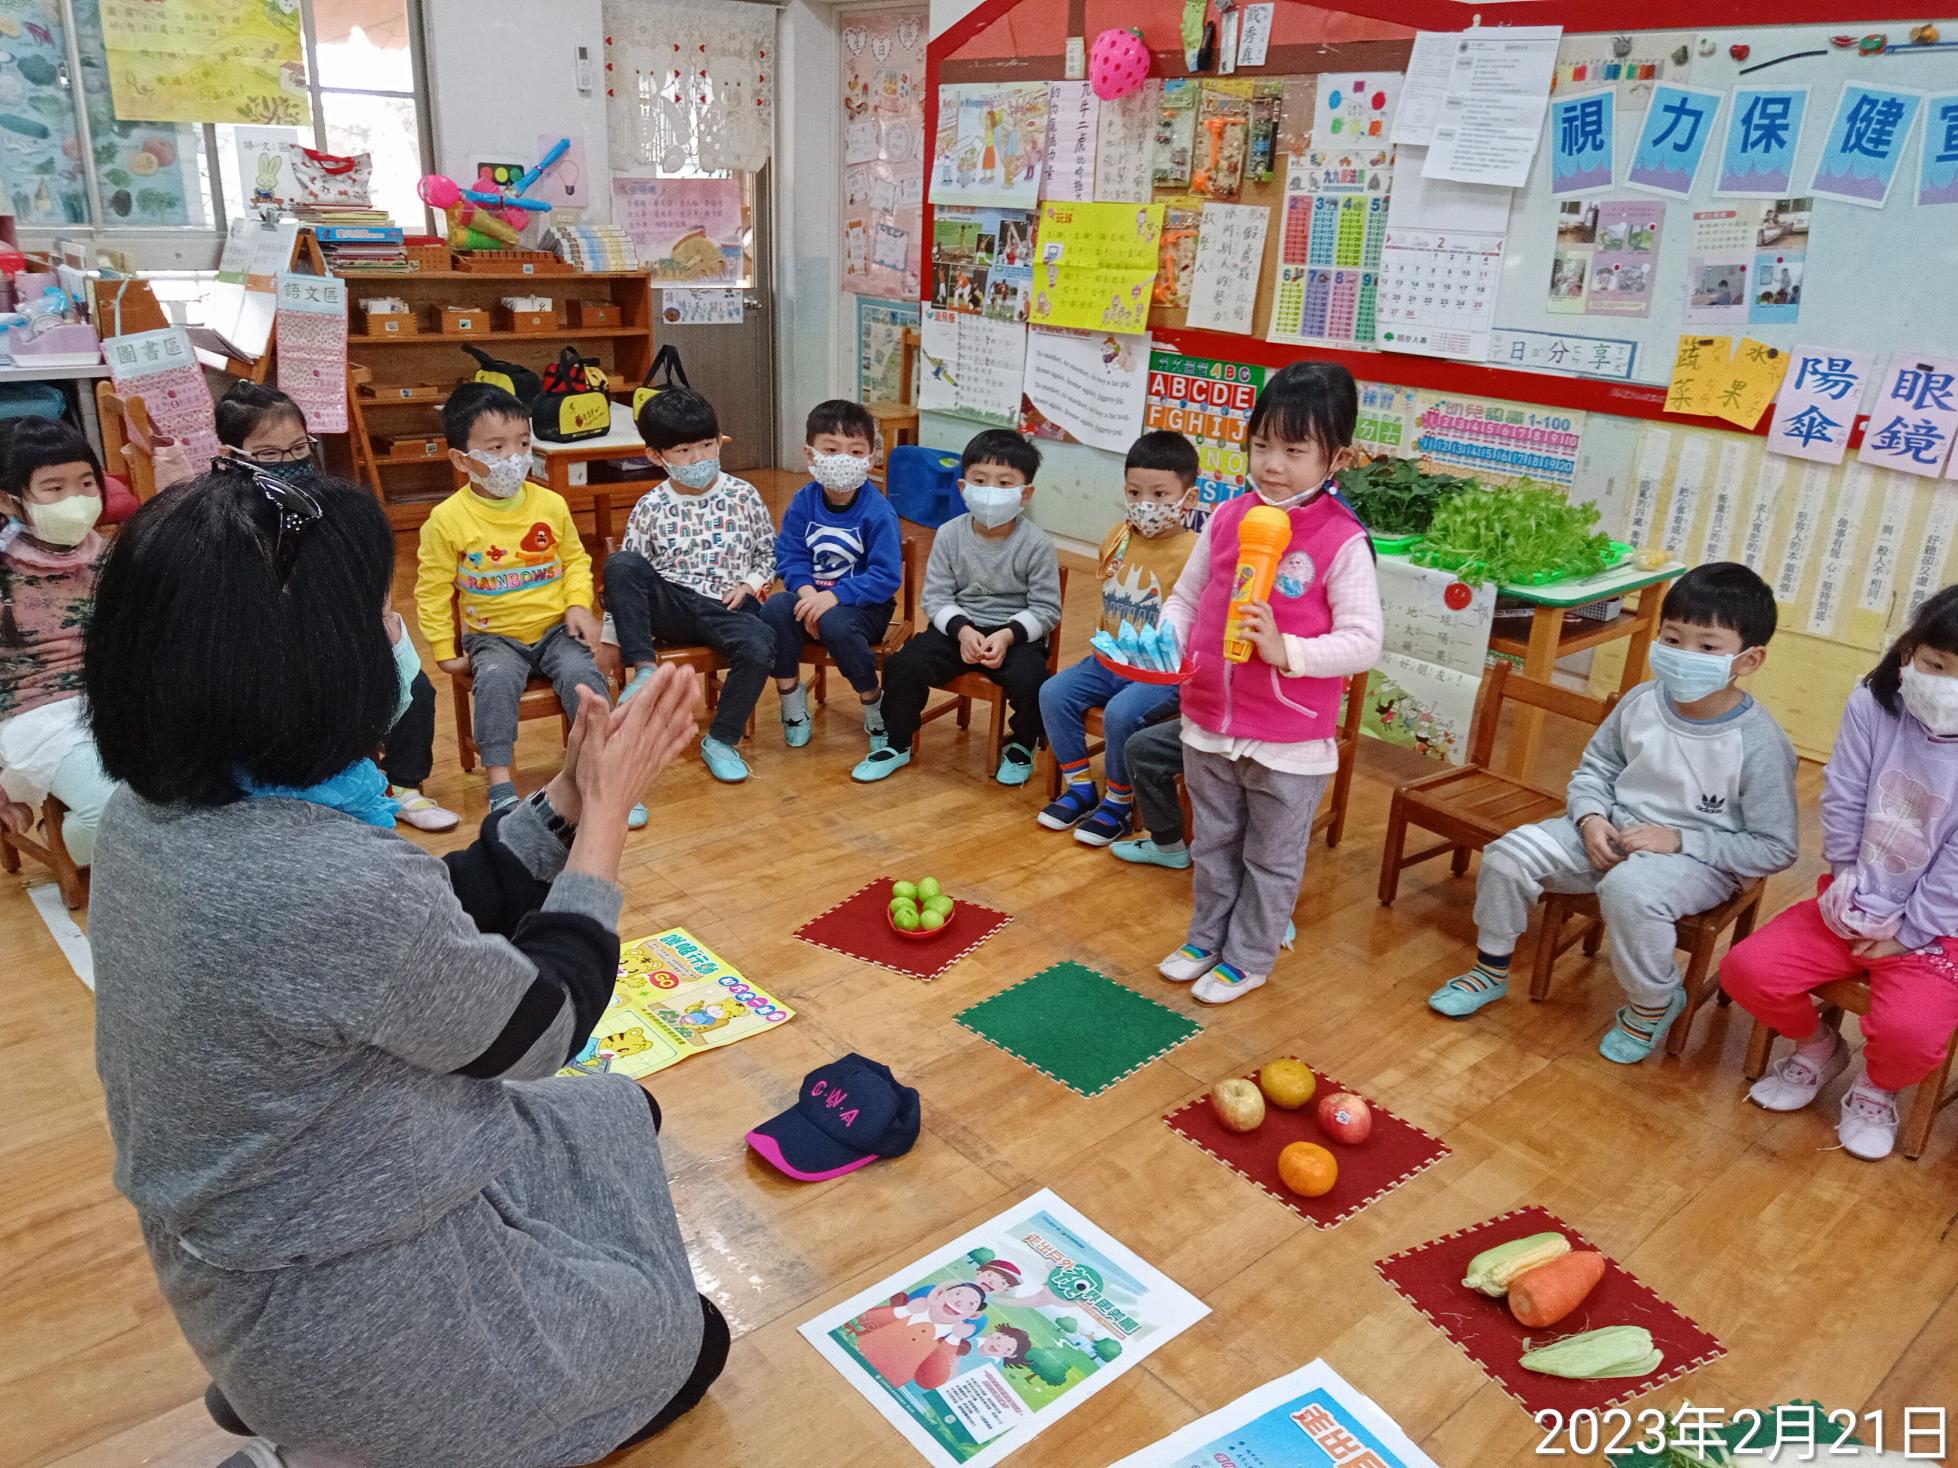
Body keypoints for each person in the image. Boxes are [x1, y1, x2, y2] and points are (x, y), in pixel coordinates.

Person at [86, 465, 724, 1468]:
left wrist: (564, 797)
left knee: (617, 1113)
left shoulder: (151, 817)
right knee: (692, 1338)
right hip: (347, 1300)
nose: (397, 636)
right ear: (298, 667)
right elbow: (543, 1026)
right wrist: (607, 814)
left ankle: (291, 1394)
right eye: (377, 617)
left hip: (259, 1243)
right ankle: (345, 1424)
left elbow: (421, 928)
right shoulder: (322, 878)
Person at [1429, 563, 1799, 1063]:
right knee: (1506, 857)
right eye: (1672, 639)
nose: (1684, 655)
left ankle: (1654, 1001)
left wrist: (1680, 840)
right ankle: (1491, 969)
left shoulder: (1759, 743)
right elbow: (1596, 768)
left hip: (1699, 861)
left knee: (1629, 891)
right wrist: (1589, 817)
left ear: (1749, 659)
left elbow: (1775, 848)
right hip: (1608, 831)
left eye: (1708, 647)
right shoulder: (1642, 700)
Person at [1155, 362, 1382, 1005]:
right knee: (1213, 843)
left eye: (1294, 450)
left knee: (1271, 858)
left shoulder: (1342, 540)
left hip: (1289, 739)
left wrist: (1288, 652)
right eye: (1261, 445)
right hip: (1208, 720)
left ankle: (1250, 955)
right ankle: (1206, 938)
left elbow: (1365, 641)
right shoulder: (1228, 517)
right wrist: (1168, 640)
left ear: (1337, 459)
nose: (1273, 465)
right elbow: (1186, 598)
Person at [1722, 586, 1958, 1160]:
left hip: (1938, 928)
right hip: (1853, 898)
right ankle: (1819, 1048)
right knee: (1747, 969)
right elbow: (1845, 795)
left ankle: (1878, 1088)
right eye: (1936, 665)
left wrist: (1908, 932)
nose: (1948, 685)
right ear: (1909, 652)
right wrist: (1847, 875)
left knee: (1912, 1034)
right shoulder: (1873, 705)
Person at [216, 381, 457, 833]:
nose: (289, 463)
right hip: (277, 653)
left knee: (416, 690)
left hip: (346, 632)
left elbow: (370, 583)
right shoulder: (227, 521)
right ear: (231, 455)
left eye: (298, 448)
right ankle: (324, 794)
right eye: (269, 454)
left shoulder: (331, 505)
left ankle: (404, 787)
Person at [415, 383, 635, 824]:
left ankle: (601, 775)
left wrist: (577, 604)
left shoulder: (550, 503)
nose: (514, 458)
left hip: (556, 629)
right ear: (461, 459)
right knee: (495, 684)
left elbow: (575, 560)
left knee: (585, 679)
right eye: (496, 448)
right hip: (493, 636)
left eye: (522, 444)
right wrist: (442, 648)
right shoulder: (446, 519)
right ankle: (500, 787)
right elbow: (432, 589)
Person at [852, 429, 1061, 786]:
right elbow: (936, 597)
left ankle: (1022, 743)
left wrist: (1007, 636)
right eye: (980, 480)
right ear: (963, 487)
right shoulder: (950, 534)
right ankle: (897, 742)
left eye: (1004, 483)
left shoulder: (1037, 543)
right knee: (903, 665)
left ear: (1025, 493)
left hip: (1013, 635)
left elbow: (1046, 608)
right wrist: (963, 631)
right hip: (957, 629)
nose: (991, 490)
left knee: (1033, 681)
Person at [604, 387, 776, 784]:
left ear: (719, 440)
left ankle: (721, 740)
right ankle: (645, 671)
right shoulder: (650, 506)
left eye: (706, 445)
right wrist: (611, 639)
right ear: (656, 456)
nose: (698, 458)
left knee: (761, 642)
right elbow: (626, 580)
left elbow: (769, 554)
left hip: (726, 607)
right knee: (622, 563)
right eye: (683, 451)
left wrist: (749, 584)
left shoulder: (743, 495)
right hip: (672, 605)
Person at [1037, 430, 1198, 845]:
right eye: (1134, 492)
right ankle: (1080, 788)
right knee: (1053, 693)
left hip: (1161, 672)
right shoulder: (1117, 536)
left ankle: (1119, 803)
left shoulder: (1196, 551)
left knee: (1121, 713)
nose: (1146, 504)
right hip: (1109, 659)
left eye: (1160, 494)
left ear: (1188, 499)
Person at [0, 418, 114, 867]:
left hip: (114, 698)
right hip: (33, 713)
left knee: (210, 782)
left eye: (86, 483)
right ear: (8, 500)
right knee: (109, 811)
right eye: (54, 488)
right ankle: (67, 846)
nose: (76, 499)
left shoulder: (107, 553)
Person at [762, 399, 902, 755]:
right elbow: (790, 556)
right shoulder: (803, 501)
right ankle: (792, 703)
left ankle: (873, 702)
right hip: (813, 599)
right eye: (831, 449)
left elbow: (886, 576)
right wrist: (809, 595)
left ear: (871, 457)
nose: (843, 459)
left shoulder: (878, 511)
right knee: (775, 609)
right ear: (810, 455)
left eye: (855, 451)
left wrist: (832, 598)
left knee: (835, 623)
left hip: (865, 608)